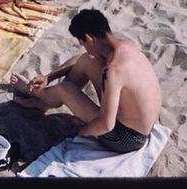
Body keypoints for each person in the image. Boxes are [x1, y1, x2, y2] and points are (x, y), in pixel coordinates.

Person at [11, 8, 162, 154]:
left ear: (90, 38)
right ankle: (43, 101)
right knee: (87, 60)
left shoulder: (114, 71)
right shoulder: (126, 46)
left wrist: (82, 132)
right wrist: (49, 77)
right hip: (140, 124)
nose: (83, 46)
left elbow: (106, 125)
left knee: (64, 89)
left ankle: (39, 96)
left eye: (82, 43)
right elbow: (81, 59)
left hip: (127, 138)